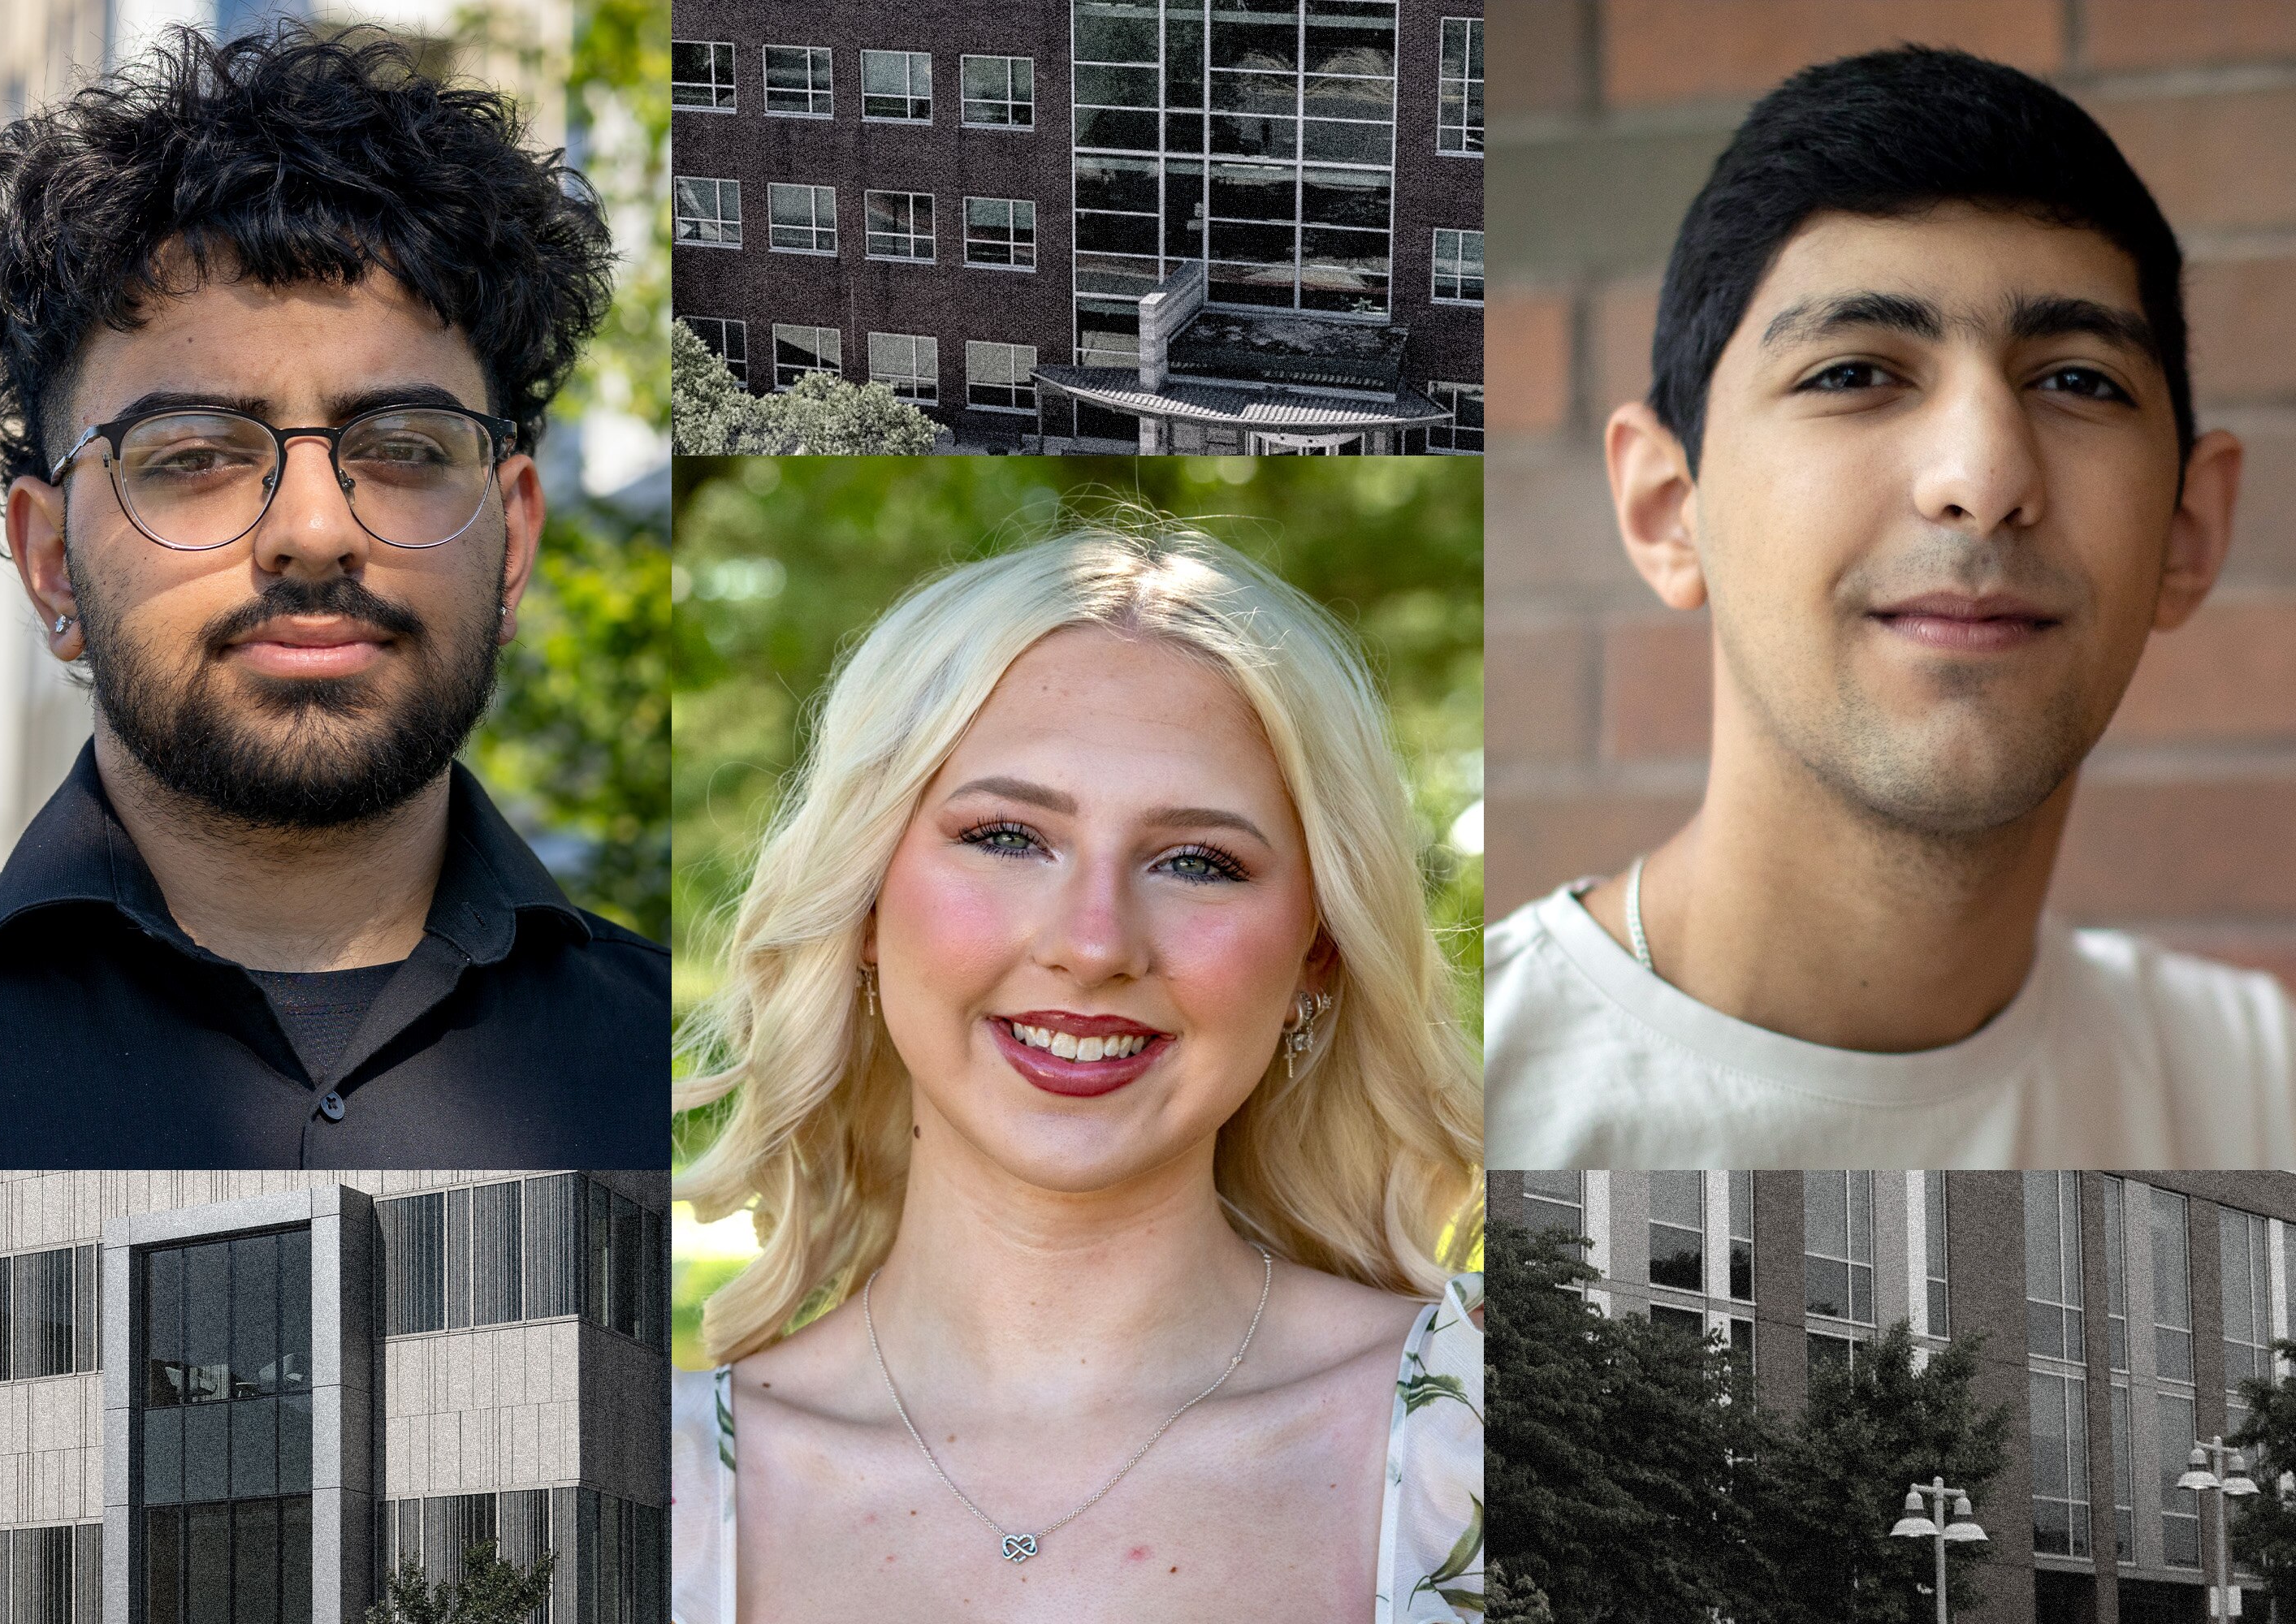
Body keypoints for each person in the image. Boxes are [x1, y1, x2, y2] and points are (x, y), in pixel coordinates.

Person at [0, 28, 667, 1164]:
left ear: (513, 544)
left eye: (405, 446)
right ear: (51, 563)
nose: (315, 533)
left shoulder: (677, 1075)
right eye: (193, 454)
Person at [1484, 46, 2296, 1168]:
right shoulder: (1459, 1111)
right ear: (1669, 510)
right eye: (1853, 373)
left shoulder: (2259, 1098)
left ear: (2188, 531)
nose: (1984, 477)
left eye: (2078, 380)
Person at [668, 526, 1483, 1623]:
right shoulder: (617, 1493)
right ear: (863, 903)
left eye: (1197, 862)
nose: (1094, 944)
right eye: (1009, 837)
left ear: (1317, 952)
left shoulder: (1504, 1438)